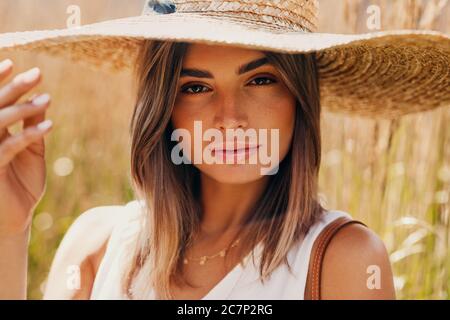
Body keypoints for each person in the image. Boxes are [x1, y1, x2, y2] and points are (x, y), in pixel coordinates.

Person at [0, 0, 448, 300]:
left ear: (300, 97)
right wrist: (10, 231)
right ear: (163, 107)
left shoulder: (340, 260)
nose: (229, 117)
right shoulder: (96, 247)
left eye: (260, 79)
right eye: (196, 87)